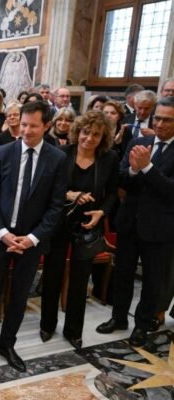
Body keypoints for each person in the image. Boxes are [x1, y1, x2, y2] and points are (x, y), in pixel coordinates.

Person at [0, 101, 68, 372]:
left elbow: (56, 206)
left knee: (19, 296)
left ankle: (7, 345)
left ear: (46, 126)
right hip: (0, 236)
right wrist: (2, 233)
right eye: (23, 124)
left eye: (33, 126)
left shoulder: (57, 159)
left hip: (31, 242)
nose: (26, 130)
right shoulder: (4, 152)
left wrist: (32, 238)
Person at [96, 96, 174, 347]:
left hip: (160, 227)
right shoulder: (139, 142)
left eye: (167, 120)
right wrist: (132, 170)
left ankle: (142, 324)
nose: (159, 124)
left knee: (152, 280)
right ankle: (118, 318)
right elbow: (121, 179)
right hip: (129, 222)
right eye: (157, 118)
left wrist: (147, 168)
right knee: (123, 274)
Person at [40, 111, 119, 350]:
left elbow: (113, 193)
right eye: (86, 132)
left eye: (96, 134)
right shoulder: (62, 154)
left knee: (80, 278)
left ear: (103, 137)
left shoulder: (109, 158)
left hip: (88, 224)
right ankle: (47, 324)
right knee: (52, 274)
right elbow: (47, 189)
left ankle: (73, 330)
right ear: (78, 131)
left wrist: (101, 212)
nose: (89, 138)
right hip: (60, 222)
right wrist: (69, 194)